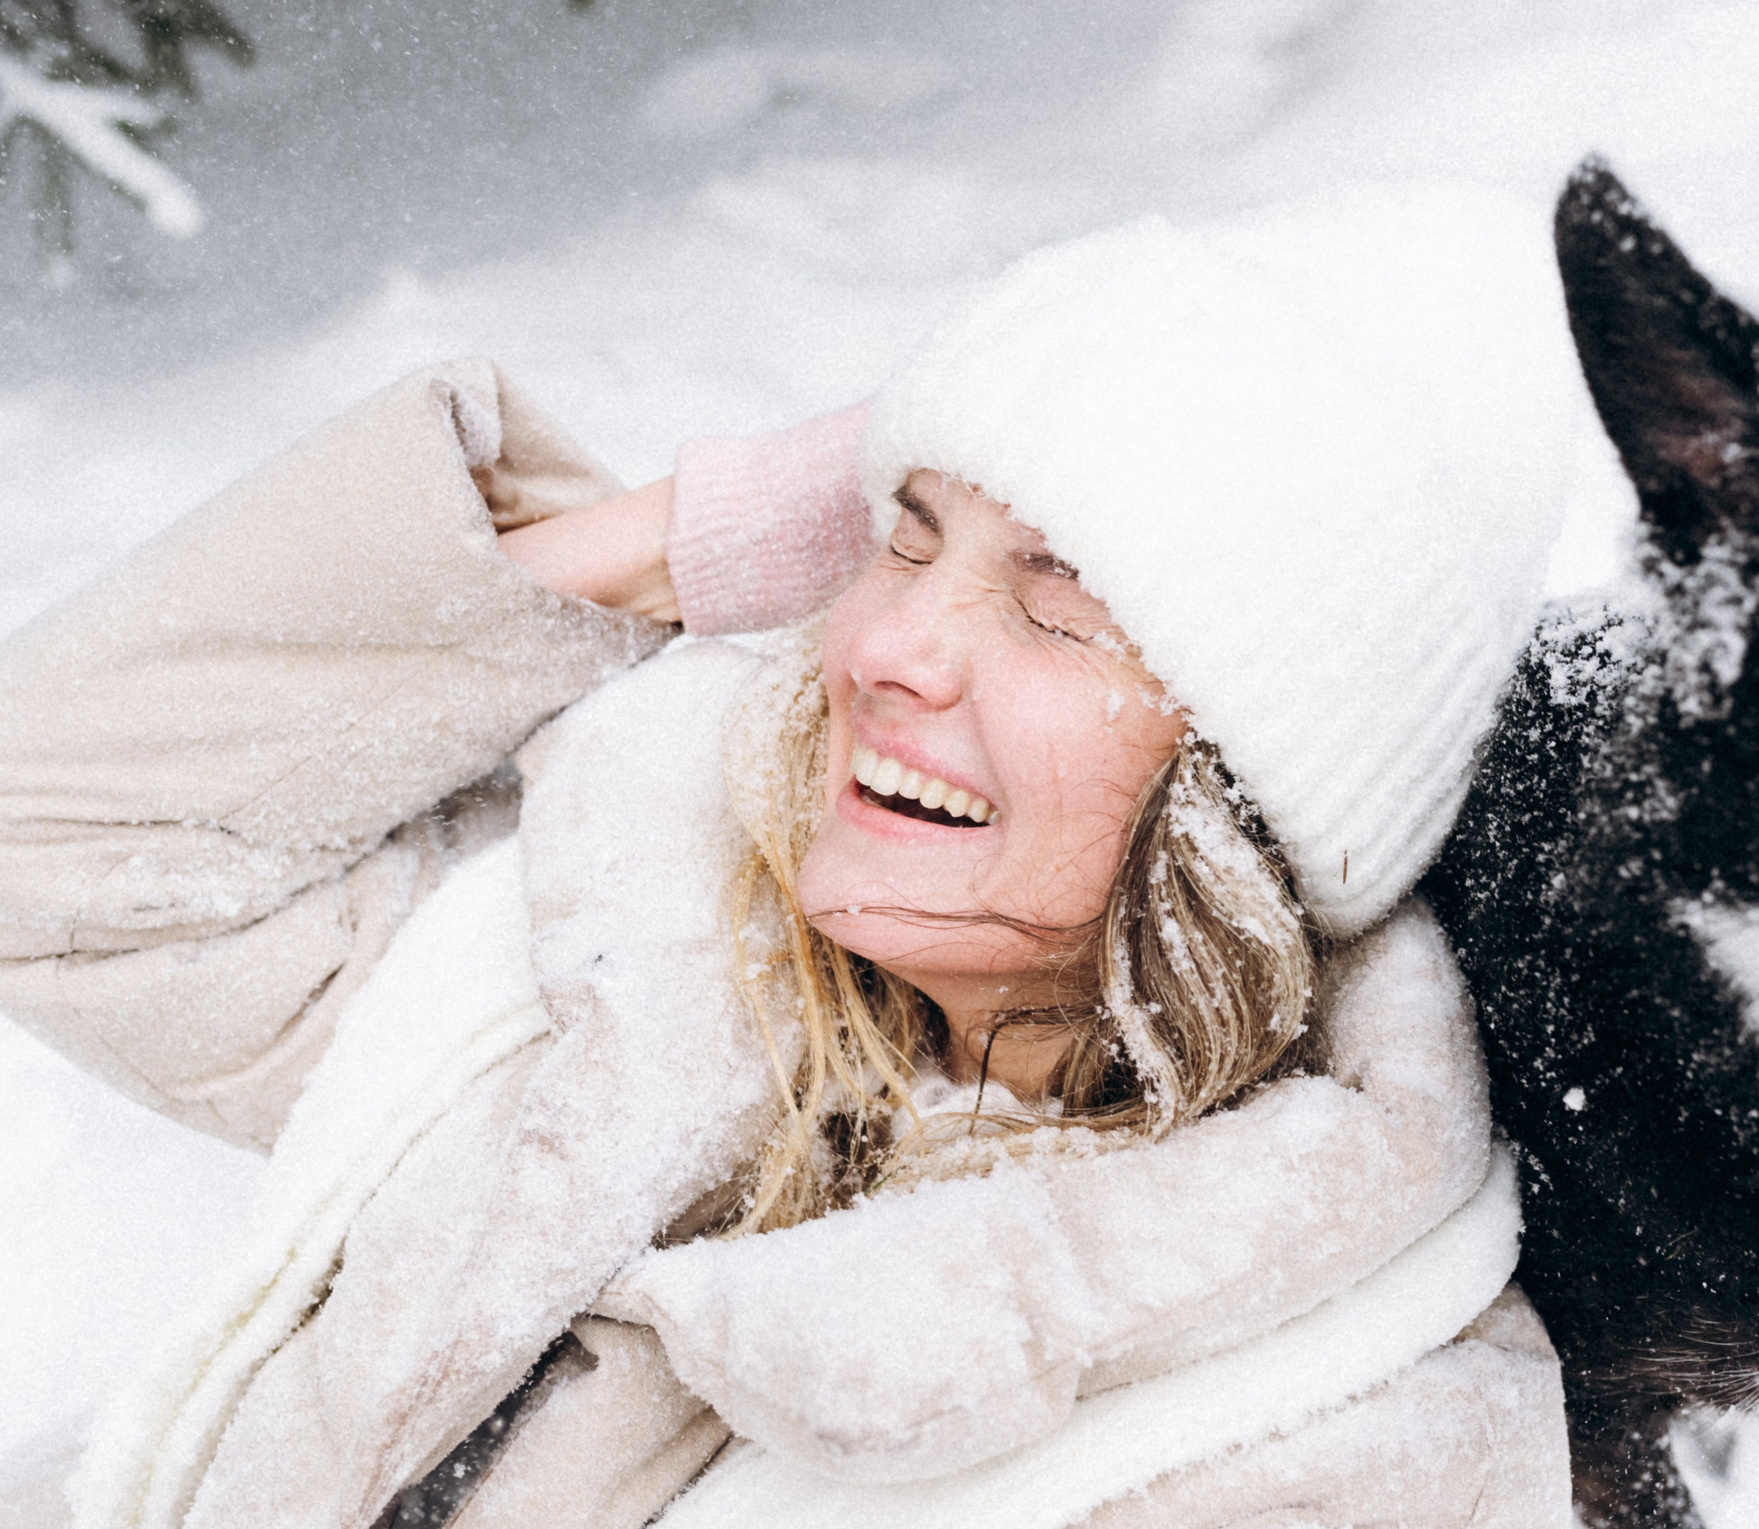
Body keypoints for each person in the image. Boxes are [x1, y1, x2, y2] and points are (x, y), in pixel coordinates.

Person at [0, 190, 1596, 1529]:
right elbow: (53, 835)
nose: (892, 642)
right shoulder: (610, 977)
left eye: (1055, 602)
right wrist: (695, 540)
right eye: (900, 540)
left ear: (1251, 794)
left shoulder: (1359, 1440)